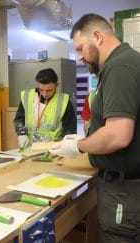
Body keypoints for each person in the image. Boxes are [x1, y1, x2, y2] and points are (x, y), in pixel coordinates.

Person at [50, 13, 140, 243]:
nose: (79, 56)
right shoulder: (123, 63)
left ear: (98, 36)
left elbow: (117, 135)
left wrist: (78, 146)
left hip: (125, 190)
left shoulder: (120, 66)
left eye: (80, 48)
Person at [14, 68, 76, 148]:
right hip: (30, 146)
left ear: (57, 85)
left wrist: (62, 143)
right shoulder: (27, 97)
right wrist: (22, 134)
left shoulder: (64, 101)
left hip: (53, 147)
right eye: (41, 90)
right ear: (38, 84)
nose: (44, 94)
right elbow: (19, 119)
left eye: (49, 90)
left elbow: (70, 128)